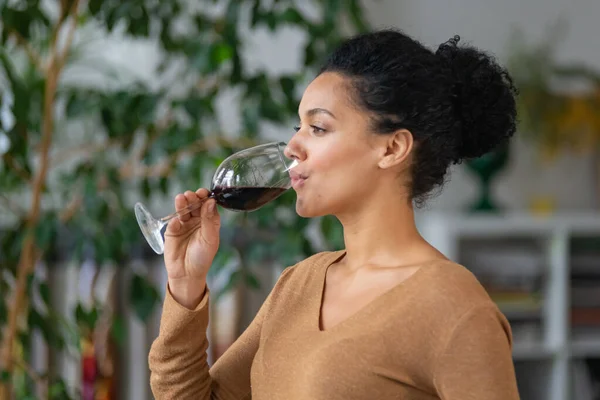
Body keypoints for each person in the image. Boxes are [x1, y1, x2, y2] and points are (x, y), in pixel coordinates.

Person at [148, 29, 521, 400]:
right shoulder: (299, 284)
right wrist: (186, 284)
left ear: (392, 148)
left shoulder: (453, 308)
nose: (293, 146)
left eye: (318, 127)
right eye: (299, 127)